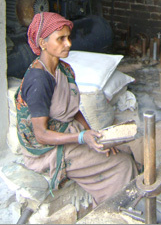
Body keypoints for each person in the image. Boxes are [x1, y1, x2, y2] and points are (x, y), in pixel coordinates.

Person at [15, 12, 137, 206]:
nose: (68, 44)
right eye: (61, 39)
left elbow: (74, 109)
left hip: (67, 132)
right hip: (48, 151)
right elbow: (41, 135)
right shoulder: (38, 80)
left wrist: (91, 133)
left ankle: (130, 202)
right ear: (42, 43)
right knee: (122, 164)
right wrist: (81, 138)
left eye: (68, 37)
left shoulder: (64, 69)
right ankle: (111, 211)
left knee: (123, 149)